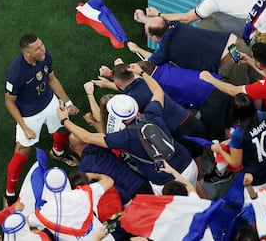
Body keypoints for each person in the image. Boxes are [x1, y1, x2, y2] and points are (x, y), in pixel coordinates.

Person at [57, 64, 198, 195]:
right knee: (196, 192)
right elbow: (157, 90)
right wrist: (142, 73)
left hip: (165, 181)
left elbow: (87, 137)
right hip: (188, 163)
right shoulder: (152, 113)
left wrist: (65, 120)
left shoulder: (125, 137)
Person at [4, 34, 79, 208]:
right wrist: (24, 127)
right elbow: (9, 101)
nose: (42, 49)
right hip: (29, 115)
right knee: (23, 150)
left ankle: (58, 152)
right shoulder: (16, 71)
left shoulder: (45, 56)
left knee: (63, 127)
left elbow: (51, 79)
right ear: (27, 53)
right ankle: (9, 194)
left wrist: (68, 102)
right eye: (37, 48)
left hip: (49, 102)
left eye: (42, 45)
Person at [96, 60, 207, 178]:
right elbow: (127, 80)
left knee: (195, 159)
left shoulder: (130, 102)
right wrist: (111, 75)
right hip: (188, 118)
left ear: (118, 84)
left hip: (177, 131)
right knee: (206, 144)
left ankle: (201, 179)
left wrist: (108, 82)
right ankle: (218, 170)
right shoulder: (146, 80)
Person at [129, 11, 261, 85]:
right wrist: (144, 18)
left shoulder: (164, 50)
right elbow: (162, 20)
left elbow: (149, 62)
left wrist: (137, 49)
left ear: (154, 37)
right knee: (262, 78)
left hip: (232, 62)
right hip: (238, 45)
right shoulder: (176, 25)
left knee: (250, 92)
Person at [136, 60, 233, 141]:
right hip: (220, 84)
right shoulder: (165, 66)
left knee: (218, 136)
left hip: (211, 101)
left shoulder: (159, 86)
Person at [207, 93, 266, 188]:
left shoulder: (238, 134)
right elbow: (251, 136)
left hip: (255, 178)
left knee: (256, 201)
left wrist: (220, 150)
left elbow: (235, 163)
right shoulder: (261, 115)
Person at [27, 167, 115, 240]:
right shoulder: (83, 194)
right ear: (67, 182)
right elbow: (109, 181)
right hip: (105, 238)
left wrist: (35, 233)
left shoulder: (43, 214)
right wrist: (93, 175)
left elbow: (24, 224)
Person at [68, 133, 154, 206]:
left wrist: (127, 204)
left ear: (71, 147)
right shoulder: (101, 146)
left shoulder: (84, 171)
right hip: (142, 183)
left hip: (130, 199)